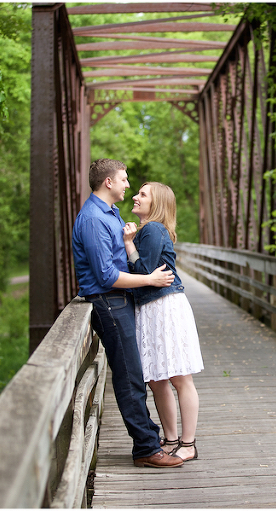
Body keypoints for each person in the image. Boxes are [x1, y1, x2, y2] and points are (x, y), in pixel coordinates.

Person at [72, 159, 184, 468]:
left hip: (120, 301)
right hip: (109, 301)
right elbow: (106, 276)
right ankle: (146, 448)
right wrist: (149, 279)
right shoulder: (93, 219)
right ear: (108, 182)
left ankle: (151, 439)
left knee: (133, 374)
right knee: (129, 376)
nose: (127, 185)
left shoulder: (110, 214)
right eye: (124, 179)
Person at [123, 182, 203, 462]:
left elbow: (146, 271)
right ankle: (170, 438)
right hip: (150, 308)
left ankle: (189, 443)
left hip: (166, 307)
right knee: (157, 379)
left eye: (142, 194)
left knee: (180, 377)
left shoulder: (154, 230)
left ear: (155, 204)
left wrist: (129, 244)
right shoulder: (148, 230)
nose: (135, 196)